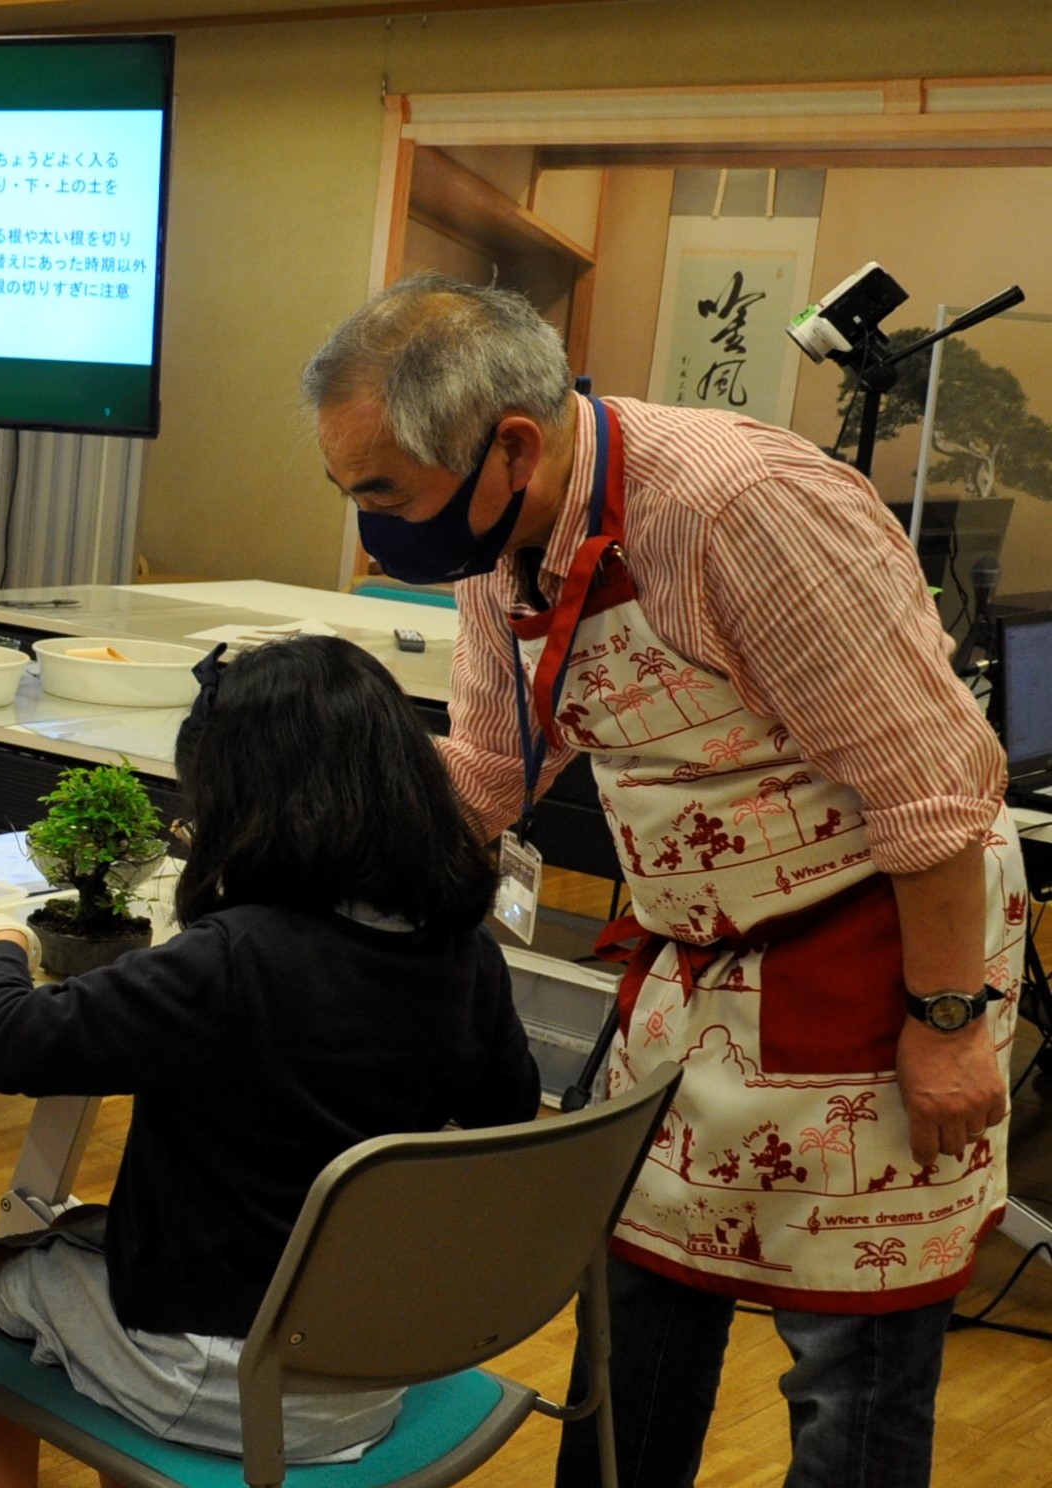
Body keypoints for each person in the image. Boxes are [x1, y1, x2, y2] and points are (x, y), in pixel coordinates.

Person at [301, 271, 1027, 1488]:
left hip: (881, 948)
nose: (371, 520)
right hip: (694, 970)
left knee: (850, 1368)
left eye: (380, 489)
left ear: (509, 446)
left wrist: (949, 1023)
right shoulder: (502, 539)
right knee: (632, 1310)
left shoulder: (740, 508)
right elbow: (486, 770)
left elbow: (931, 792)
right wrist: (305, 866)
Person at [0, 633, 540, 1488]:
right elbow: (504, 1116)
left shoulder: (231, 961)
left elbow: (2, 1042)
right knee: (88, 1243)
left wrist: (2, 941)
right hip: (372, 1364)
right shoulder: (463, 951)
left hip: (227, 1378)